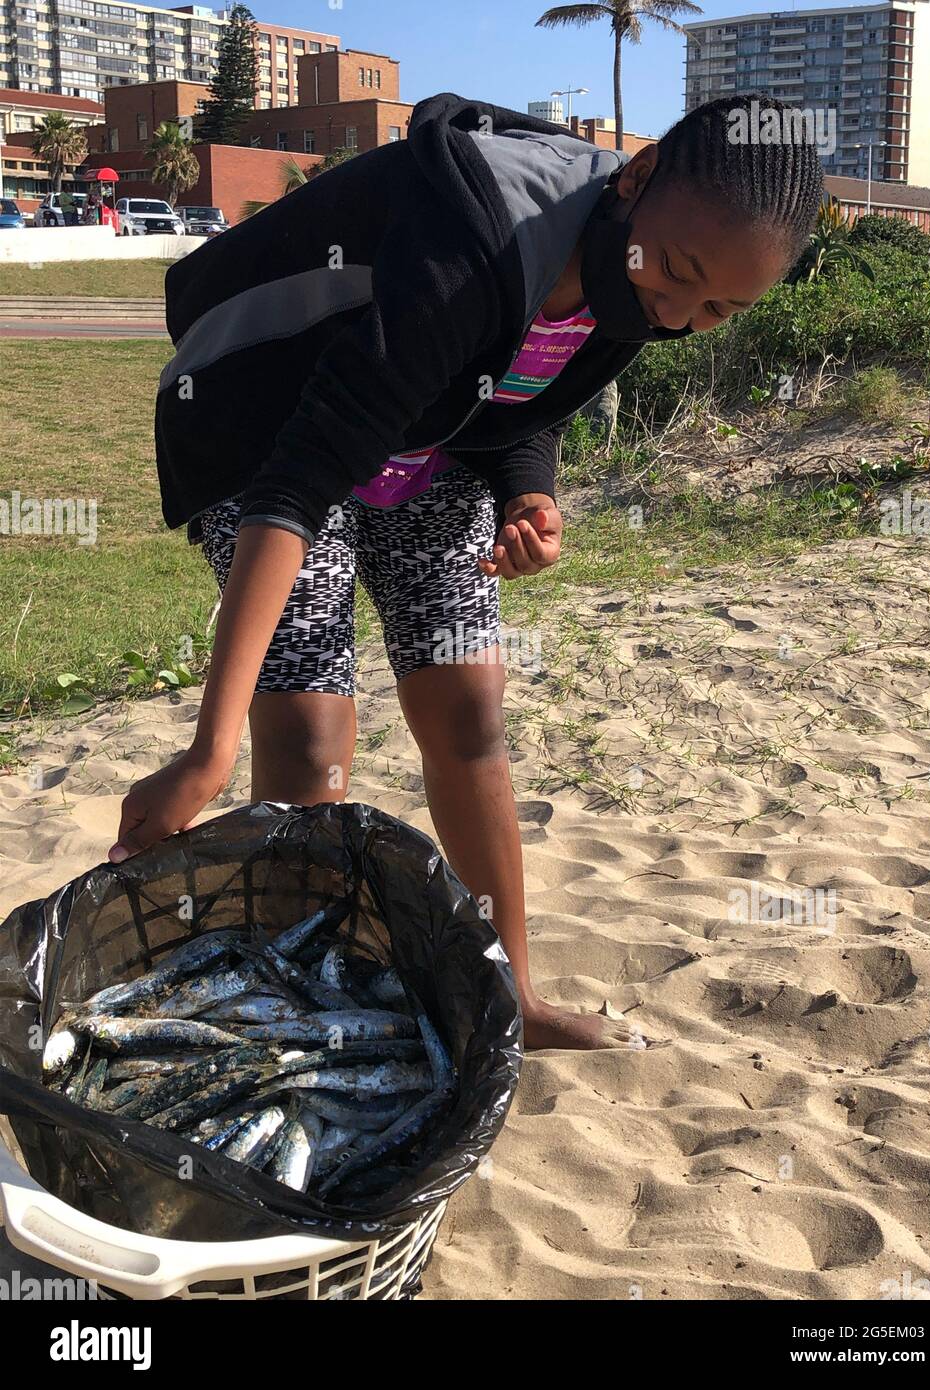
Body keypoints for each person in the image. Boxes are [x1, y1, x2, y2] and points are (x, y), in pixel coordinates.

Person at [112, 93, 823, 1050]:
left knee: (468, 713)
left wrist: (528, 492)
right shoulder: (477, 236)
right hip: (262, 420)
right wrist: (207, 750)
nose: (675, 313)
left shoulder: (640, 265)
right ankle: (290, 1015)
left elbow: (528, 383)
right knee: (309, 727)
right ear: (639, 177)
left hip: (425, 449)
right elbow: (299, 481)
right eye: (681, 278)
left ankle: (510, 1002)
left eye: (718, 311)